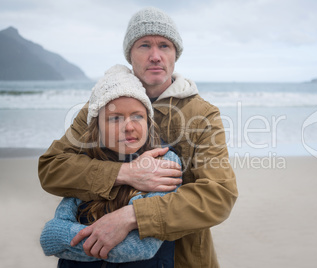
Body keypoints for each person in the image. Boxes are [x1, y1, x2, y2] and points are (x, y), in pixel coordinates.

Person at [39, 6, 238, 267]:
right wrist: (123, 173)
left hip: (180, 259)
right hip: (94, 256)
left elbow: (218, 195)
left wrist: (133, 216)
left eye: (164, 46)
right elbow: (52, 167)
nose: (155, 56)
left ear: (175, 55)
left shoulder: (201, 115)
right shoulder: (99, 106)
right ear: (129, 54)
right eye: (144, 45)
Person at [40, 64, 181, 267]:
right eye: (115, 118)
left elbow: (140, 248)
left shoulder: (165, 162)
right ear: (97, 128)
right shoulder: (85, 164)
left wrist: (73, 241)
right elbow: (49, 239)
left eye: (137, 116)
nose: (129, 127)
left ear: (148, 122)